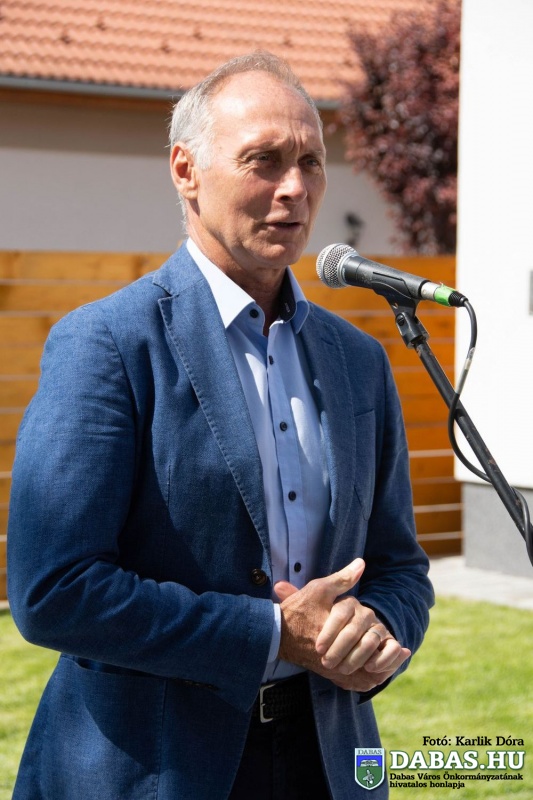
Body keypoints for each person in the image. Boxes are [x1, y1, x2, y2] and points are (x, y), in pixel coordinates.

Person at [7, 52, 434, 799]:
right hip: (153, 768)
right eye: (263, 160)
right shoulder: (106, 343)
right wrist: (271, 635)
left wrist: (373, 629)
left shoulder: (359, 361)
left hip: (327, 760)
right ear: (186, 171)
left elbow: (399, 568)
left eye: (311, 161)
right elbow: (55, 589)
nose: (295, 188)